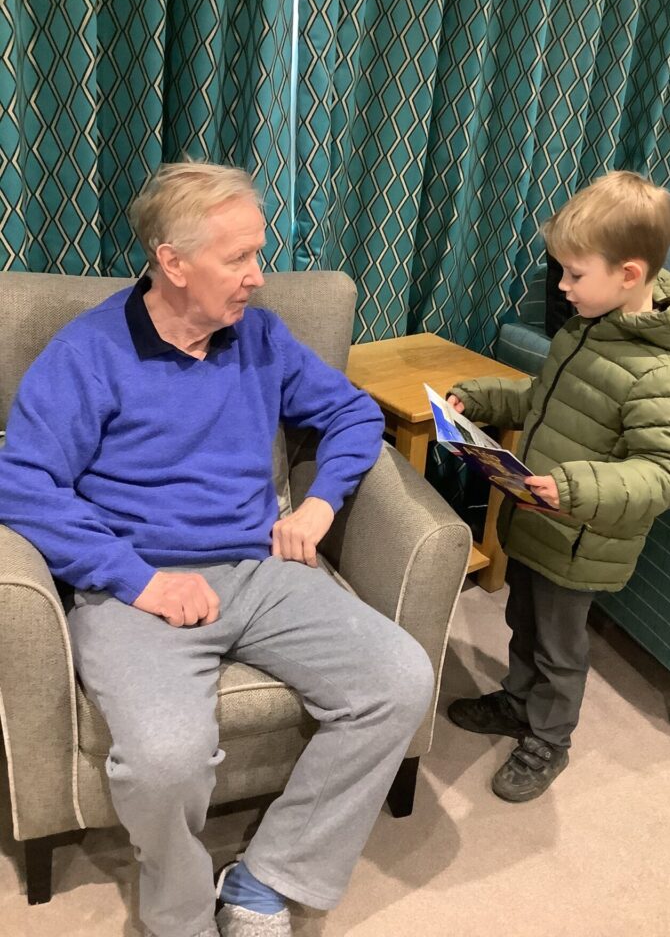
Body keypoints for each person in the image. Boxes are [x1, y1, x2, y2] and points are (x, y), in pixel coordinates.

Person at [0, 162, 434, 937]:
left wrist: (321, 505)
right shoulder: (89, 352)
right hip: (136, 586)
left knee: (400, 679)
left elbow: (352, 415)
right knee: (165, 759)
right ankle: (181, 916)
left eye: (257, 254)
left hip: (258, 569)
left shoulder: (261, 337)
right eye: (239, 258)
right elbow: (22, 484)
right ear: (172, 262)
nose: (258, 277)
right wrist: (140, 581)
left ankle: (268, 878)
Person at [446, 171, 670, 803]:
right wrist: (480, 399)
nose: (562, 287)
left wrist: (572, 487)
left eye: (573, 273)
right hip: (537, 521)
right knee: (522, 621)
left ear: (628, 274)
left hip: (580, 540)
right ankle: (518, 702)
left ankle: (549, 739)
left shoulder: (659, 373)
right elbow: (543, 401)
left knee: (560, 647)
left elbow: (668, 472)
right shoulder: (587, 327)